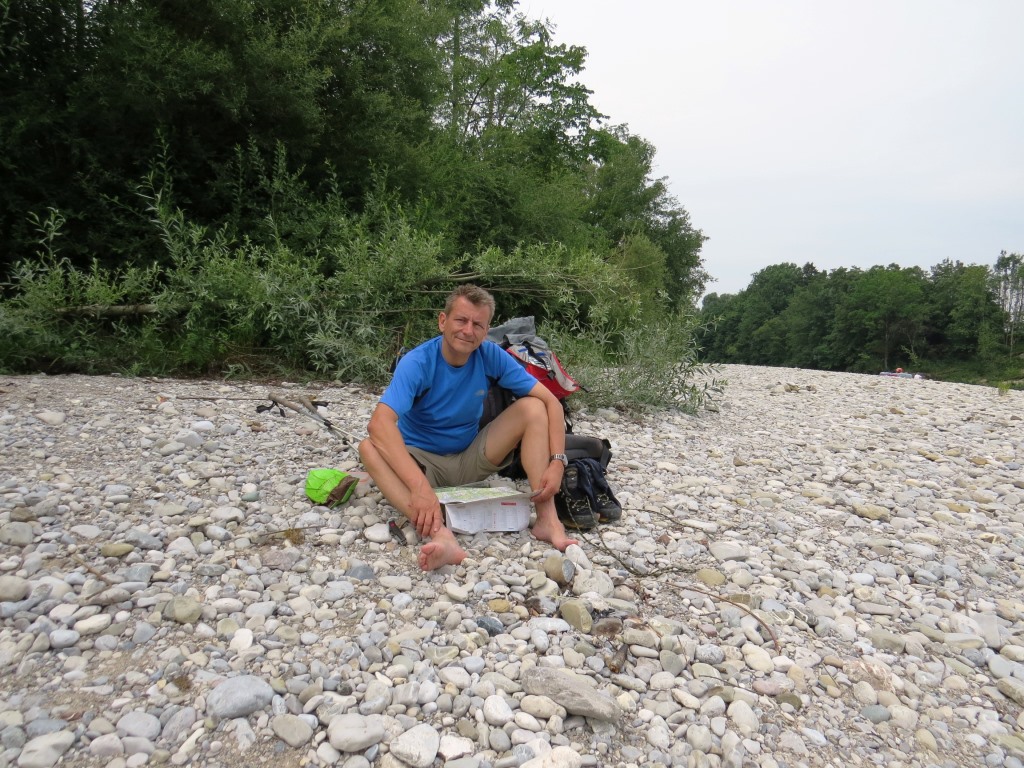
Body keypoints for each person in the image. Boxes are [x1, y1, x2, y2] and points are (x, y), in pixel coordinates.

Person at [359, 285, 576, 571]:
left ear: (486, 331)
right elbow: (379, 424)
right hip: (423, 465)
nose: (468, 331)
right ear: (443, 321)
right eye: (461, 320)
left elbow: (552, 402)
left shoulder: (489, 355)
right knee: (368, 447)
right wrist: (420, 487)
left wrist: (558, 462)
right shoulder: (418, 362)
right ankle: (440, 534)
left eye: (477, 325)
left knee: (533, 408)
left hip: (469, 457)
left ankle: (547, 519)